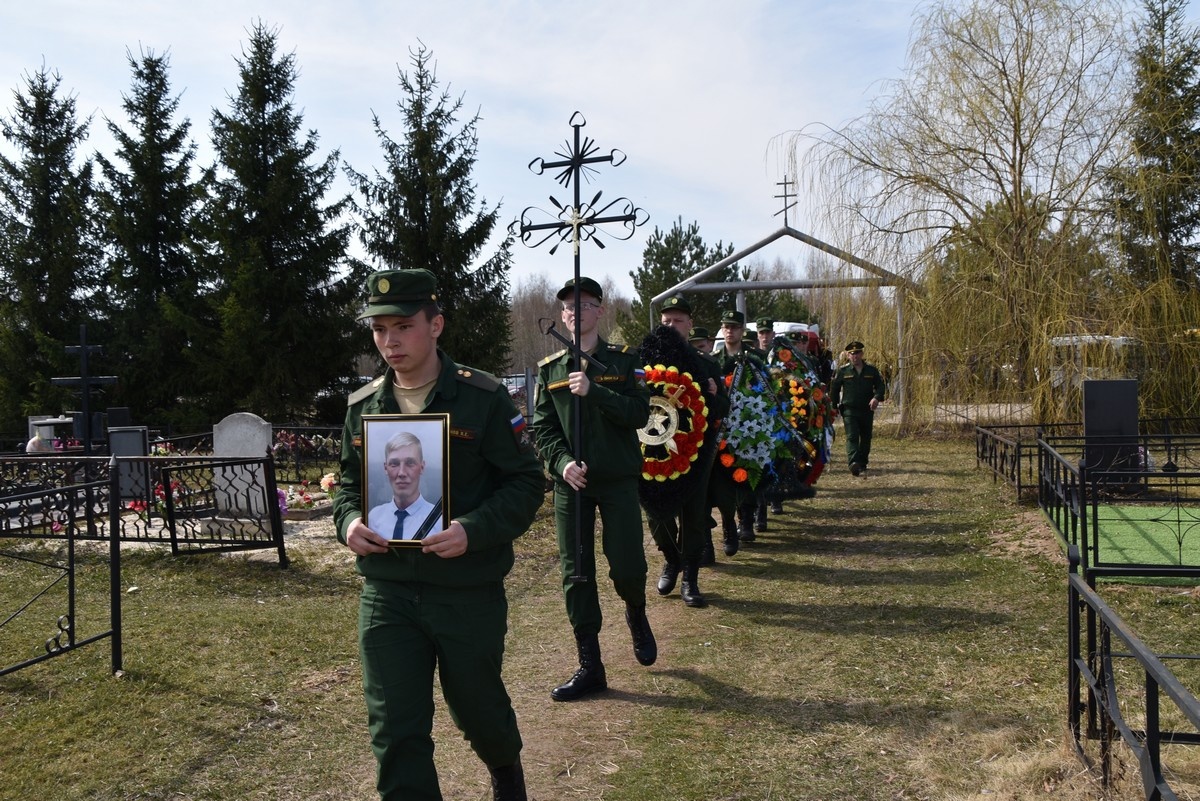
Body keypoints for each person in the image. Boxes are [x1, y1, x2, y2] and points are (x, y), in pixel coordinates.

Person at [332, 268, 544, 801]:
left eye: (402, 326)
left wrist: (474, 530)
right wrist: (349, 523)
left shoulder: (483, 399)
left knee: (478, 708)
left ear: (436, 324)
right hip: (388, 593)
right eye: (379, 330)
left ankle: (505, 770)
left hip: (465, 590)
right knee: (395, 729)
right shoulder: (363, 409)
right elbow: (348, 487)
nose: (389, 341)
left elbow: (524, 484)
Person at [532, 276, 655, 702]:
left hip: (617, 478)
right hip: (573, 485)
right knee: (576, 571)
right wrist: (561, 464)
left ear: (599, 310)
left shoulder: (624, 361)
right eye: (568, 306)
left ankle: (636, 613)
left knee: (626, 563)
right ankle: (590, 664)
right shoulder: (550, 370)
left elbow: (641, 414)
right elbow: (542, 429)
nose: (574, 311)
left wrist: (597, 392)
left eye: (584, 304)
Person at [647, 295, 729, 607]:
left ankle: (690, 578)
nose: (671, 325)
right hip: (655, 453)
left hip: (696, 452)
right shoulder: (645, 361)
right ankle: (671, 558)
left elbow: (724, 406)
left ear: (689, 325)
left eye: (678, 320)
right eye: (666, 321)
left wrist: (711, 394)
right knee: (657, 515)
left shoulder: (706, 364)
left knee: (693, 516)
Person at [711, 309, 768, 551]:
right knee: (725, 476)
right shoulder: (713, 359)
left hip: (748, 425)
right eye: (726, 326)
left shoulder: (754, 358)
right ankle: (731, 523)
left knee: (747, 472)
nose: (729, 330)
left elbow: (766, 390)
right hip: (721, 425)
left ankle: (746, 520)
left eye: (734, 327)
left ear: (742, 330)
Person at [365, 431, 444, 540]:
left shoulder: (438, 521)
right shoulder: (373, 518)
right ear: (385, 468)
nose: (402, 473)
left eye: (410, 463)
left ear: (422, 467)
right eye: (394, 464)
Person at [829, 340, 887, 477]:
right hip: (849, 410)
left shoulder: (871, 370)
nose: (854, 356)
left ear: (862, 354)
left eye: (857, 353)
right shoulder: (843, 371)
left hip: (867, 409)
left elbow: (880, 386)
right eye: (851, 354)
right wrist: (834, 406)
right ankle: (853, 462)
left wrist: (876, 398)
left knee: (866, 437)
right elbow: (835, 389)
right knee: (852, 436)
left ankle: (862, 463)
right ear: (848, 356)